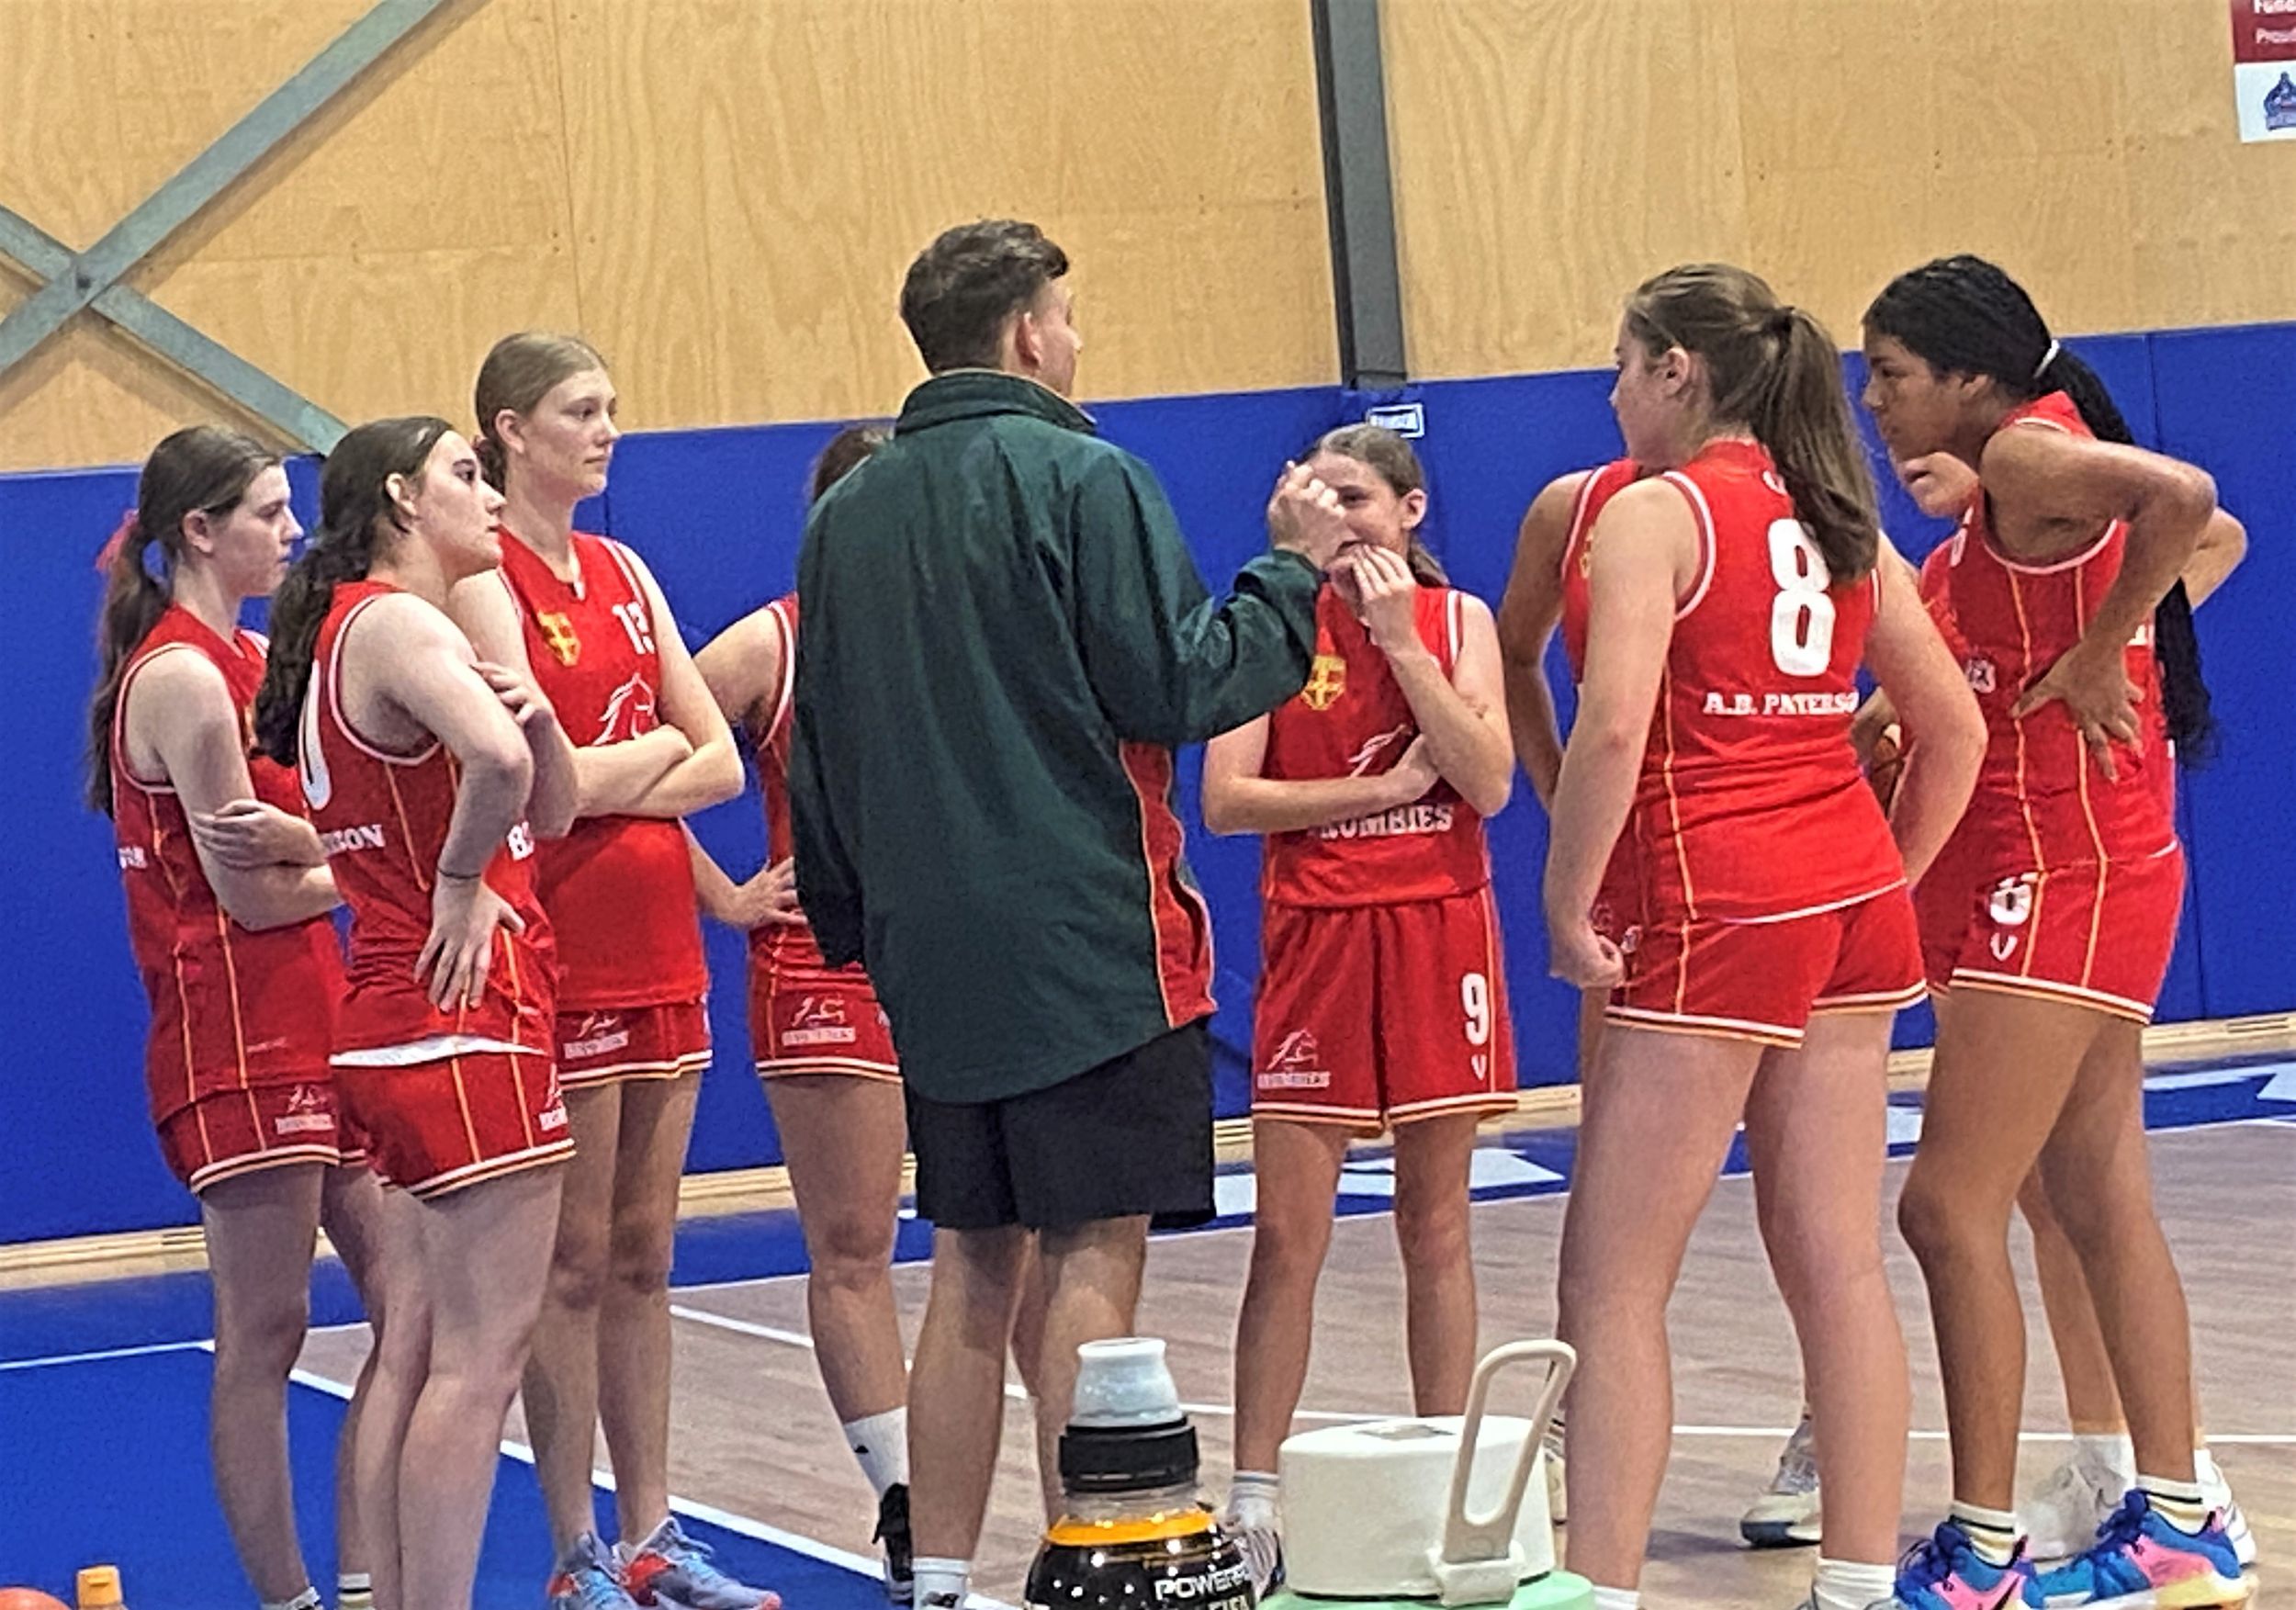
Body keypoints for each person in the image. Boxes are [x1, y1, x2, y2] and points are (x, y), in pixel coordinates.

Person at [788, 219, 1352, 1610]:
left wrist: (862, 932)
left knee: (970, 1267)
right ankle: (1086, 1564)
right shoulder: (1089, 476)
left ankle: (939, 1582)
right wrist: (1290, 570)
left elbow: (821, 748)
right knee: (1095, 1251)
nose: (1078, 342)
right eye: (1070, 317)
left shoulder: (846, 514)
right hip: (1092, 941)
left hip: (931, 956)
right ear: (1028, 332)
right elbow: (1179, 684)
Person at [1544, 264, 1984, 1610]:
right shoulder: (1837, 514)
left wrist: (1565, 902)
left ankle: (1599, 1590)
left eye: (1621, 367)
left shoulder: (1655, 512)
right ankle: (1857, 1582)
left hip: (1717, 896)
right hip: (1845, 898)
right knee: (1836, 1263)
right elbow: (1954, 728)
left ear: (1677, 369)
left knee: (1611, 1280)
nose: (1611, 395)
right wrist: (1885, 881)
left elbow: (1612, 728)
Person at [1858, 255, 2250, 1610]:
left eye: (1892, 374)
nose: (1873, 399)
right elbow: (2201, 538)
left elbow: (2191, 502)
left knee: (1946, 1204)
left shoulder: (2027, 454)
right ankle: (2180, 1516)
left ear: (1970, 377)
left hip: (2066, 874)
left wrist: (2099, 653)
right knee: (2087, 1195)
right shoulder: (1996, 500)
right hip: (2085, 865)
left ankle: (1980, 1552)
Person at [253, 416, 579, 1610]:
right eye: (466, 474)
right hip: (462, 1013)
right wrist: (457, 877)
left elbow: (546, 790)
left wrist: (537, 715)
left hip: (394, 1020)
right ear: (400, 496)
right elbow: (494, 769)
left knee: (423, 1340)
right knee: (480, 1363)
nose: (490, 498)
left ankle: (388, 1594)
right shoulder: (398, 623)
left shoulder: (352, 634)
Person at [456, 332, 760, 1609]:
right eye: (582, 410)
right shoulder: (485, 578)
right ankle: (574, 1544)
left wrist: (606, 769)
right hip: (563, 949)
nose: (607, 430)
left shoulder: (626, 569)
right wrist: (628, 765)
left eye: (612, 408)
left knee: (645, 1252)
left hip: (660, 948)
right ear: (511, 429)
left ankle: (653, 1532)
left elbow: (722, 760)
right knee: (571, 1261)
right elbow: (546, 787)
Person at [90, 425, 407, 1610]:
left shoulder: (260, 657)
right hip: (234, 1030)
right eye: (269, 513)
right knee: (266, 1330)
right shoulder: (179, 678)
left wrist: (335, 848)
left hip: (320, 1011)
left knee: (412, 1310)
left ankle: (370, 1576)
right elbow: (253, 892)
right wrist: (368, 865)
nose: (292, 532)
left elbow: (319, 838)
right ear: (199, 530)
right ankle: (289, 1597)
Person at [1202, 424, 1516, 1594]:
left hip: (1439, 926)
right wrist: (1378, 787)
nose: (1339, 517)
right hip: (1318, 934)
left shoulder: (1457, 620)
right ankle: (1253, 1500)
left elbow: (1488, 780)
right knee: (1289, 1236)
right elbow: (1227, 799)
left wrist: (1401, 643)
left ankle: (1447, 1478)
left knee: (1436, 1226)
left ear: (1410, 509)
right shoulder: (1266, 623)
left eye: (1358, 496)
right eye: (1317, 496)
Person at [690, 422, 917, 1604]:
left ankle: (1020, 1484)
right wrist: (726, 894)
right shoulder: (767, 642)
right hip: (825, 964)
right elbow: (622, 763)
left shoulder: (958, 623)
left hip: (960, 958)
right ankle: (904, 1502)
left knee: (1009, 1239)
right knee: (855, 1243)